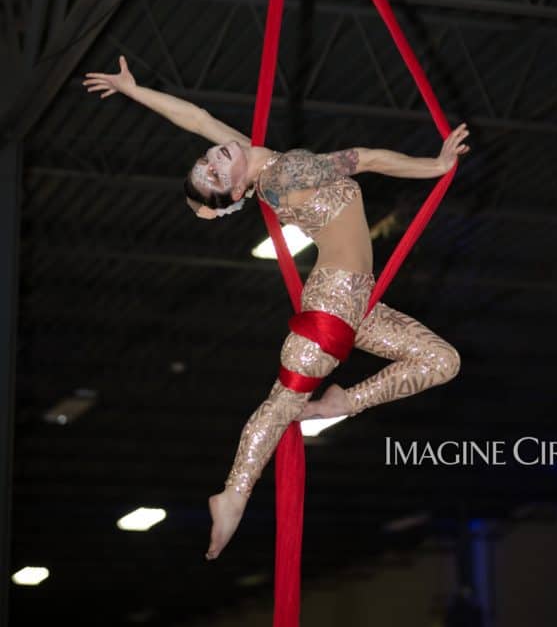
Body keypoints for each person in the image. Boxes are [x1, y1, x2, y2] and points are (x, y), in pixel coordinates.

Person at [84, 56, 470, 560]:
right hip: (335, 303)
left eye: (205, 163)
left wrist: (135, 92)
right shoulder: (288, 172)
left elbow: (196, 118)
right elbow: (370, 158)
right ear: (238, 190)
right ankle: (234, 493)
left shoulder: (258, 161)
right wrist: (436, 167)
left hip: (360, 303)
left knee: (442, 362)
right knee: (282, 402)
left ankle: (340, 404)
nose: (212, 159)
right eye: (215, 171)